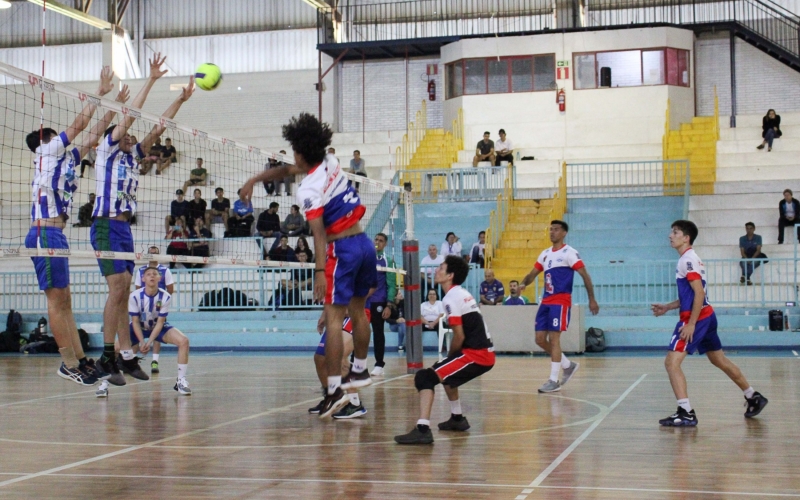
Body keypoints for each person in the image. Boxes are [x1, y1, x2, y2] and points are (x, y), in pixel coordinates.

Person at [240, 113, 377, 418]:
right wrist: (254, 179)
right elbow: (288, 169)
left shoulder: (308, 189)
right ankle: (360, 369)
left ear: (300, 151)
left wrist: (319, 272)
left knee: (333, 319)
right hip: (364, 244)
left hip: (342, 249)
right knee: (357, 311)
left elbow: (317, 234)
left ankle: (334, 389)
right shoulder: (330, 161)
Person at [24, 66, 123, 386]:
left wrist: (114, 107)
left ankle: (80, 360)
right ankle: (67, 363)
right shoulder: (46, 150)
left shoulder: (66, 160)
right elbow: (80, 125)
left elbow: (92, 136)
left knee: (65, 301)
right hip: (44, 232)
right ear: (46, 140)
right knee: (56, 301)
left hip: (56, 234)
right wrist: (99, 93)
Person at [651, 220, 768, 426]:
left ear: (686, 238)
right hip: (707, 315)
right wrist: (668, 307)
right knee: (719, 360)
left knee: (671, 363)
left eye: (675, 232)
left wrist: (691, 324)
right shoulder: (691, 259)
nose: (670, 235)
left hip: (696, 319)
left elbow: (699, 293)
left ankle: (686, 412)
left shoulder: (687, 260)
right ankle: (753, 396)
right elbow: (692, 295)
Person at [395, 256, 495, 445]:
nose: (436, 270)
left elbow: (459, 335)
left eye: (441, 268)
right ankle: (457, 418)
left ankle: (423, 429)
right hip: (483, 352)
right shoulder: (461, 293)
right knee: (444, 374)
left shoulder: (451, 298)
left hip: (477, 355)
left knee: (424, 377)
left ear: (450, 275)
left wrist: (450, 357)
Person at [519, 220, 599, 393]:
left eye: (556, 229)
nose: (552, 232)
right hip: (546, 301)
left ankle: (554, 380)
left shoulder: (569, 253)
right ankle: (567, 365)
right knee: (540, 339)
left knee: (554, 339)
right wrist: (523, 283)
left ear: (564, 233)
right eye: (550, 229)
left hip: (561, 301)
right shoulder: (545, 254)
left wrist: (592, 299)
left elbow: (585, 275)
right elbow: (533, 274)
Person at [127, 267, 192, 396]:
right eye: (148, 274)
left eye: (154, 274)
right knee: (115, 348)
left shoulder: (165, 296)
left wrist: (149, 342)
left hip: (157, 326)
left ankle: (180, 380)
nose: (152, 276)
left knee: (184, 341)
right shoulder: (134, 296)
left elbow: (161, 322)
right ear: (143, 279)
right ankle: (104, 383)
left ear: (159, 278)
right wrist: (142, 342)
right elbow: (135, 321)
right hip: (138, 327)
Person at [309, 303, 373, 419]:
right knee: (319, 358)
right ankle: (332, 397)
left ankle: (355, 404)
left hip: (354, 314)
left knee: (338, 357)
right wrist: (324, 314)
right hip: (337, 316)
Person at [133, 246, 174, 374]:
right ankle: (132, 361)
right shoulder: (141, 271)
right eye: (151, 253)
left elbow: (170, 289)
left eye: (155, 253)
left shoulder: (165, 270)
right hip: (144, 308)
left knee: (157, 331)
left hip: (157, 308)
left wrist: (160, 303)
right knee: (137, 330)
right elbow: (138, 289)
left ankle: (155, 361)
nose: (153, 255)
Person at [370, 232, 397, 377]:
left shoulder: (388, 261)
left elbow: (391, 285)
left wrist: (389, 305)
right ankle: (355, 362)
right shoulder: (366, 258)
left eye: (380, 240)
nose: (377, 242)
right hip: (364, 301)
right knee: (358, 331)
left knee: (378, 332)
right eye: (376, 239)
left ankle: (379, 364)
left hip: (379, 301)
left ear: (385, 244)